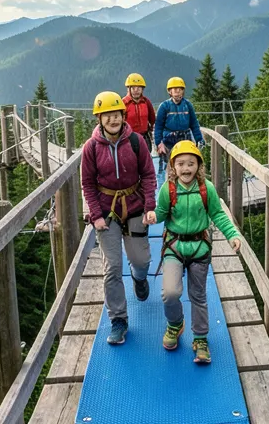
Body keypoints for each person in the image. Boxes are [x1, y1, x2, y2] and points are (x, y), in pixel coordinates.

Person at [153, 141, 242, 364]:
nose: (186, 168)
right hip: (174, 246)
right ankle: (175, 323)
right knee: (170, 293)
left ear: (198, 165)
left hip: (199, 247)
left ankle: (201, 338)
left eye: (191, 163)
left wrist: (232, 234)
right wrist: (154, 216)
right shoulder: (168, 189)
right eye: (181, 163)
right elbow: (162, 212)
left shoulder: (206, 188)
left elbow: (218, 214)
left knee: (198, 295)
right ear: (173, 166)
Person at [81, 90, 158, 345]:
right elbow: (87, 184)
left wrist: (149, 205)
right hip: (106, 211)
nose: (113, 120)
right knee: (112, 268)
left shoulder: (136, 142)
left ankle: (139, 277)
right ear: (99, 119)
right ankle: (119, 320)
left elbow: (148, 174)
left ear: (122, 115)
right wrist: (96, 216)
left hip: (135, 205)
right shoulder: (91, 148)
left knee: (141, 259)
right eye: (107, 116)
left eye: (116, 115)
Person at [153, 76, 204, 176]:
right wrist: (159, 143)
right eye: (174, 89)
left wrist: (199, 139)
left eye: (180, 89)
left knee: (185, 165)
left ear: (183, 91)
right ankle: (170, 189)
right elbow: (158, 126)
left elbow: (194, 124)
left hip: (185, 139)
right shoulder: (164, 106)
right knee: (170, 168)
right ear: (170, 91)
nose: (177, 92)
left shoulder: (188, 105)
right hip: (168, 141)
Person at [122, 72, 155, 148]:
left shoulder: (146, 102)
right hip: (128, 137)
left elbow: (152, 118)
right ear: (128, 89)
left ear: (142, 89)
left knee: (146, 158)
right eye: (133, 88)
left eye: (139, 88)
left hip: (144, 136)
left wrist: (150, 128)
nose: (136, 90)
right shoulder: (123, 103)